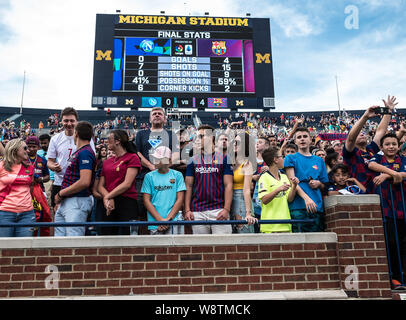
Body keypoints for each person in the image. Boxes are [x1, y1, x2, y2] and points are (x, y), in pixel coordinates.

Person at [367, 132, 406, 288]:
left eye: (394, 144)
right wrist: (392, 173)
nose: (391, 146)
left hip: (403, 208)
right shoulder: (378, 159)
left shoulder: (403, 159)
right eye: (387, 144)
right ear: (382, 147)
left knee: (404, 244)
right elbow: (371, 165)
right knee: (391, 244)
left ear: (398, 146)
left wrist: (388, 175)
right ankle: (395, 279)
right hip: (387, 211)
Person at [134, 107, 179, 234]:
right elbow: (137, 153)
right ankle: (142, 236)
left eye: (160, 114)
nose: (157, 115)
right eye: (154, 114)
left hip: (166, 176)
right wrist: (150, 166)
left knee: (164, 205)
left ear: (165, 119)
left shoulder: (171, 135)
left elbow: (176, 154)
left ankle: (163, 224)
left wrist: (163, 166)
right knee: (141, 207)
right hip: (144, 176)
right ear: (150, 118)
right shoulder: (141, 134)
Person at [184, 125, 233, 234]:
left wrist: (226, 209)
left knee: (224, 248)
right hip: (197, 212)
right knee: (201, 249)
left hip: (219, 210)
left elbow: (228, 185)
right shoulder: (192, 160)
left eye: (202, 136)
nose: (198, 139)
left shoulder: (225, 158)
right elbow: (188, 186)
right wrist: (187, 210)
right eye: (197, 136)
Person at [343, 97, 397, 192]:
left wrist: (388, 111)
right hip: (360, 193)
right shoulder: (350, 152)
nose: (362, 133)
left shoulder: (371, 148)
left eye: (363, 132)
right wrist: (365, 117)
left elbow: (380, 131)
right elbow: (351, 139)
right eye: (359, 133)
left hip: (378, 191)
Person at [47, 107, 95, 211]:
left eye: (72, 121)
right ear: (61, 121)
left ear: (76, 121)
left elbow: (92, 160)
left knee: (75, 217)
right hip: (59, 182)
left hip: (77, 184)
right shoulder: (55, 139)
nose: (69, 124)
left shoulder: (87, 139)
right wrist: (53, 166)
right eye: (66, 121)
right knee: (57, 214)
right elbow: (50, 161)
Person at [53, 121, 96, 237]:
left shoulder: (85, 153)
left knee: (74, 240)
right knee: (59, 239)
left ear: (76, 134)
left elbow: (84, 181)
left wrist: (61, 193)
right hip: (68, 200)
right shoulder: (81, 151)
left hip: (77, 200)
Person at [284, 127, 329, 232]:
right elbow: (292, 181)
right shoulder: (290, 158)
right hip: (298, 206)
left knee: (318, 241)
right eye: (299, 137)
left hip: (317, 206)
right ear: (295, 141)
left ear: (310, 139)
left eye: (305, 136)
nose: (302, 139)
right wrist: (306, 198)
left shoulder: (319, 160)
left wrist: (319, 183)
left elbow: (324, 184)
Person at [98, 129, 141, 235]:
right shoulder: (107, 162)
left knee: (128, 237)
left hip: (127, 202)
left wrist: (108, 197)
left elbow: (127, 184)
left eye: (109, 139)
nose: (106, 141)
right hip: (108, 204)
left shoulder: (132, 158)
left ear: (118, 141)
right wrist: (109, 198)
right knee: (107, 237)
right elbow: (100, 186)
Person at [141, 146, 186, 235]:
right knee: (156, 249)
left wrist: (168, 220)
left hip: (174, 221)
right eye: (154, 158)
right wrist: (160, 220)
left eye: (158, 158)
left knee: (176, 248)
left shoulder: (177, 175)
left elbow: (180, 200)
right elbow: (146, 201)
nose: (154, 160)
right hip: (155, 223)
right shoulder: (149, 176)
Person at [0, 138, 35, 237]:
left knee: (25, 247)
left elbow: (31, 187)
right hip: (4, 212)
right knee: (4, 247)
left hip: (27, 213)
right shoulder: (1, 166)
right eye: (25, 148)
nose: (28, 151)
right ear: (15, 150)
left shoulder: (30, 167)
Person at [258, 147, 298, 233]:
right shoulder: (264, 177)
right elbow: (264, 200)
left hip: (286, 224)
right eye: (282, 156)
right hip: (270, 227)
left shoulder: (284, 176)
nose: (284, 159)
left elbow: (289, 199)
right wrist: (278, 189)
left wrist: (294, 186)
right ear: (275, 160)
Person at [230, 132, 257, 233]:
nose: (234, 144)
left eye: (238, 142)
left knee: (243, 232)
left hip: (242, 200)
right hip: (229, 200)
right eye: (234, 142)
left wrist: (248, 213)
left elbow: (246, 190)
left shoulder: (247, 164)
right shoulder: (230, 162)